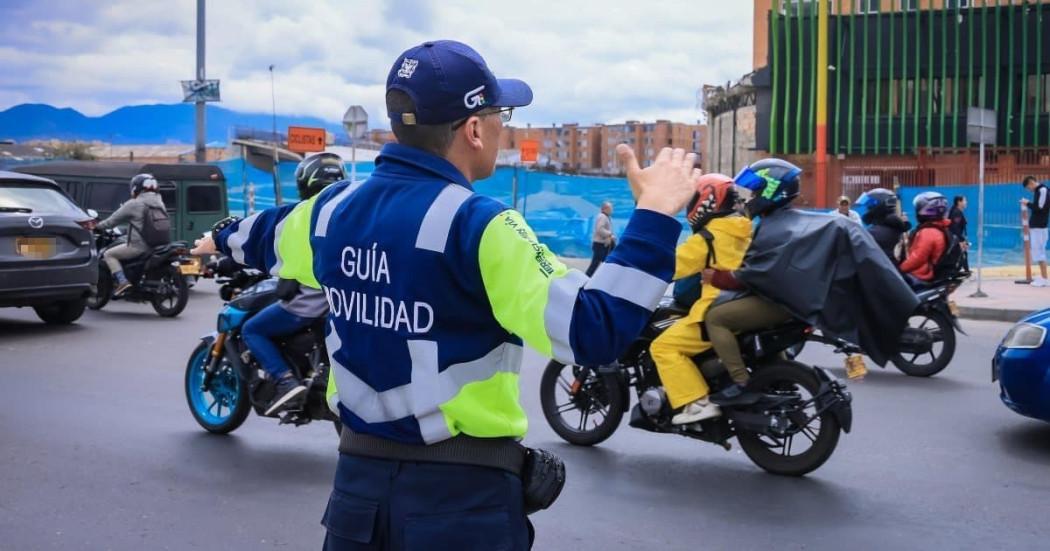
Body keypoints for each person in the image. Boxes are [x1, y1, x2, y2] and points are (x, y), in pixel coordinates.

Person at [191, 40, 698, 550]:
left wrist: (219, 236)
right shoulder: (482, 227)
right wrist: (655, 215)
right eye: (502, 113)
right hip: (462, 508)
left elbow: (262, 234)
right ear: (474, 129)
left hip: (356, 503)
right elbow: (595, 331)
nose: (505, 126)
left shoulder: (331, 209)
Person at [240, 152, 347, 416]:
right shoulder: (347, 216)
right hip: (340, 303)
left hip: (310, 303)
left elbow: (276, 251)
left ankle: (285, 381)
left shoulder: (302, 216)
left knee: (252, 329)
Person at [650, 174, 752, 424]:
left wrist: (640, 269)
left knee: (663, 347)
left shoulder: (708, 238)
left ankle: (697, 402)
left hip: (714, 309)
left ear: (708, 201)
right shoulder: (746, 230)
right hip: (745, 307)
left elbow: (669, 266)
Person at [699, 159, 801, 404]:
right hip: (790, 298)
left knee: (716, 317)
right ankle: (781, 377)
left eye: (756, 191)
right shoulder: (785, 220)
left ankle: (740, 381)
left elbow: (757, 274)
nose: (750, 197)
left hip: (777, 301)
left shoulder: (773, 226)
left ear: (771, 190)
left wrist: (719, 277)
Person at [95, 173, 168, 296]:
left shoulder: (134, 204)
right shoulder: (160, 202)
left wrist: (96, 226)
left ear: (136, 188)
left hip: (139, 246)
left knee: (109, 254)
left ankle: (122, 282)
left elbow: (112, 221)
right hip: (158, 245)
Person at [899, 191, 950, 286]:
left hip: (921, 276)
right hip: (932, 274)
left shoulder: (928, 232)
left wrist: (898, 269)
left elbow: (917, 258)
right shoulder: (941, 227)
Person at [856, 188, 911, 262]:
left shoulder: (873, 233)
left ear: (878, 206)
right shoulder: (897, 226)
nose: (868, 208)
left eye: (870, 205)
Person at [1022, 176, 1050, 287]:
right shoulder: (1039, 191)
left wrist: (1027, 203)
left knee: (1039, 252)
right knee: (1037, 252)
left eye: (1028, 188)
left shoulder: (1042, 190)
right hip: (1037, 226)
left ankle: (1044, 279)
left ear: (1031, 183)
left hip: (1039, 227)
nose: (1030, 190)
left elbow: (1040, 207)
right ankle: (1044, 277)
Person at [585, 201, 615, 276]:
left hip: (603, 244)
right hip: (600, 245)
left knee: (599, 263)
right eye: (610, 208)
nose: (612, 210)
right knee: (598, 263)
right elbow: (599, 229)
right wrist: (609, 234)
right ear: (605, 209)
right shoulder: (602, 217)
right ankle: (587, 277)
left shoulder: (606, 217)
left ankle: (588, 277)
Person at [947, 195, 969, 272]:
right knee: (961, 254)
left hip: (954, 238)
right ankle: (960, 271)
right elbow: (955, 228)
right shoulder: (956, 212)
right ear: (959, 202)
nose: (966, 202)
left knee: (963, 253)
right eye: (965, 201)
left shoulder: (955, 211)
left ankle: (966, 270)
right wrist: (961, 240)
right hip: (955, 238)